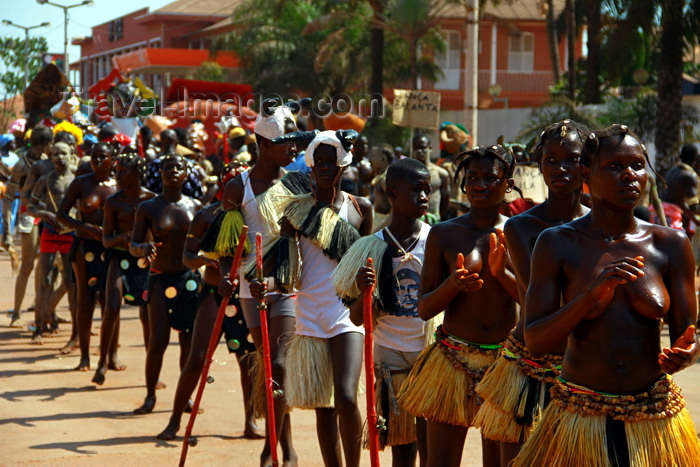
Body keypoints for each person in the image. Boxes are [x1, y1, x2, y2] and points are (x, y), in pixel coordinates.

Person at [513, 124, 700, 466]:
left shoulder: (671, 245)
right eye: (615, 166)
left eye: (637, 165)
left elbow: (686, 337)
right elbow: (536, 341)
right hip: (578, 414)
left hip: (653, 415)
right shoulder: (556, 243)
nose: (629, 175)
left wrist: (685, 354)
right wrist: (589, 296)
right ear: (586, 173)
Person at [472, 120, 590, 465]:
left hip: (584, 368)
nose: (561, 168)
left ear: (587, 163)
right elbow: (536, 301)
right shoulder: (522, 226)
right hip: (530, 368)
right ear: (539, 163)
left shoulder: (602, 224)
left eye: (572, 158)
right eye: (551, 159)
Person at [252, 129, 372, 467]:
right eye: (318, 162)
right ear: (311, 166)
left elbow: (366, 262)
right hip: (309, 313)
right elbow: (288, 274)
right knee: (325, 405)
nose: (324, 168)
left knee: (347, 396)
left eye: (331, 163)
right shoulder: (294, 214)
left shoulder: (360, 210)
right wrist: (268, 286)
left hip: (346, 312)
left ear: (343, 167)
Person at [397, 145, 519, 467]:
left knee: (499, 461)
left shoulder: (520, 234)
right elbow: (423, 309)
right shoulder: (444, 234)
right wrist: (454, 284)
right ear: (463, 184)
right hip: (452, 361)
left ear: (507, 183)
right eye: (473, 178)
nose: (480, 185)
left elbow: (533, 301)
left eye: (490, 178)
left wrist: (501, 273)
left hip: (505, 363)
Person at [215, 100, 303, 467]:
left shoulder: (296, 186)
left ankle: (277, 447)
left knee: (280, 365)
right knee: (269, 367)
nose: (295, 149)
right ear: (264, 144)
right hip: (252, 289)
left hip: (286, 287)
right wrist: (226, 276)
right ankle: (282, 445)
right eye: (288, 142)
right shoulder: (238, 189)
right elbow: (224, 245)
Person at [335, 157, 432, 466]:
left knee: (431, 441)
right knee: (402, 443)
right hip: (389, 353)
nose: (424, 197)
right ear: (391, 192)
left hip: (430, 352)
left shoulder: (436, 240)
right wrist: (365, 293)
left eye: (427, 190)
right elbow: (356, 319)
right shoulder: (370, 248)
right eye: (416, 189)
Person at [157, 201, 261, 441]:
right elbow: (187, 257)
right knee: (198, 357)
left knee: (247, 359)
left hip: (244, 294)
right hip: (213, 292)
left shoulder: (255, 215)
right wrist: (205, 261)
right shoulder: (205, 214)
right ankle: (174, 421)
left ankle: (250, 421)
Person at [130, 153, 202, 414]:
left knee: (188, 341)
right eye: (167, 167)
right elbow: (134, 245)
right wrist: (143, 248)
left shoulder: (196, 207)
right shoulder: (148, 208)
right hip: (159, 277)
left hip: (189, 280)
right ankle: (150, 396)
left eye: (178, 167)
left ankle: (186, 397)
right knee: (158, 340)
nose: (173, 170)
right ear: (160, 173)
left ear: (186, 174)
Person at [93, 153, 155, 386]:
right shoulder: (114, 201)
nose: (117, 175)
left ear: (138, 175)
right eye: (116, 171)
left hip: (144, 261)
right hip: (119, 259)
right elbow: (106, 240)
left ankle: (152, 370)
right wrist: (123, 237)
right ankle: (101, 363)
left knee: (147, 316)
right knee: (111, 308)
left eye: (122, 172)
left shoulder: (151, 200)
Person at [57, 142, 118, 371]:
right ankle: (84, 356)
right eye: (95, 158)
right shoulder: (82, 184)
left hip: (112, 249)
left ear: (112, 159)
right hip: (86, 248)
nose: (98, 161)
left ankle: (111, 355)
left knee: (111, 302)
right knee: (86, 299)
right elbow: (61, 214)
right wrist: (86, 227)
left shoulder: (119, 185)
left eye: (103, 157)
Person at [27, 142, 77, 345]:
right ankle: (38, 328)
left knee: (71, 283)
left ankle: (76, 332)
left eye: (63, 153)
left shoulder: (77, 180)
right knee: (45, 281)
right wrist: (46, 214)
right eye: (55, 154)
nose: (59, 158)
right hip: (49, 232)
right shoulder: (45, 181)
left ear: (71, 154)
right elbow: (30, 207)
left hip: (70, 234)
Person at [4, 126, 53, 328]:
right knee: (27, 264)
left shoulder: (51, 163)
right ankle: (16, 313)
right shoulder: (21, 165)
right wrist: (7, 230)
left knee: (47, 265)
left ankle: (43, 310)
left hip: (48, 216)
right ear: (43, 144)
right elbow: (8, 197)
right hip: (28, 215)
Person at [658, 143, 700, 236]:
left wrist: (695, 220)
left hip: (660, 215)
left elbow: (680, 203)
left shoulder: (672, 171)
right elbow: (694, 207)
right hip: (673, 220)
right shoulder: (690, 176)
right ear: (695, 159)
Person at [411, 134, 450, 223]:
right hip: (413, 221)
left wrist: (438, 217)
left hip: (434, 220)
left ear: (430, 148)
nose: (419, 151)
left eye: (423, 148)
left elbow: (445, 200)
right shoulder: (408, 173)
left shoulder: (441, 173)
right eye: (416, 148)